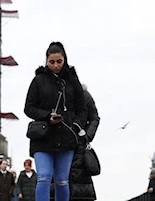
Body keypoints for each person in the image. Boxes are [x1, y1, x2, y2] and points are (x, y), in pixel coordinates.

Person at [24, 42, 88, 201]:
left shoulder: (73, 81)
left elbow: (82, 109)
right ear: (46, 61)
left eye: (59, 61)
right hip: (43, 137)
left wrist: (75, 125)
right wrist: (47, 115)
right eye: (51, 62)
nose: (55, 65)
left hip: (66, 136)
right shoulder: (38, 80)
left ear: (65, 60)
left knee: (62, 180)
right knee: (44, 177)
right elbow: (28, 108)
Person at [69, 84, 100, 201]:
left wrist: (87, 136)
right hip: (59, 143)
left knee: (80, 182)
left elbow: (94, 117)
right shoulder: (53, 92)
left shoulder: (84, 95)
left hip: (79, 144)